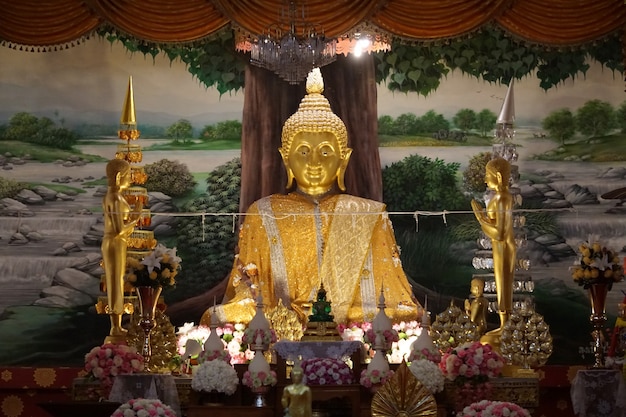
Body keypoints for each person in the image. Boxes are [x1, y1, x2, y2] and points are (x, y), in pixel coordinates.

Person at [201, 68, 419, 327]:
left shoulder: (368, 213)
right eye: (303, 151)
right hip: (281, 321)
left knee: (403, 317)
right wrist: (278, 314)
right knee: (214, 317)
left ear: (343, 160)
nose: (314, 162)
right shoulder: (263, 212)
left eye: (326, 152)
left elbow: (397, 300)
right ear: (286, 158)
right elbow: (248, 294)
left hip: (348, 321)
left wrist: (342, 314)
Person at [471, 157, 515, 339]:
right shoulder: (498, 197)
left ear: (497, 176)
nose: (484, 179)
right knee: (499, 283)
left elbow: (500, 233)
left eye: (487, 175)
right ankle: (504, 324)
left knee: (504, 284)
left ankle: (506, 325)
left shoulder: (504, 198)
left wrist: (480, 218)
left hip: (504, 246)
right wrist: (483, 216)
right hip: (499, 246)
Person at [101, 158, 143, 342]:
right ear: (119, 177)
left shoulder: (113, 196)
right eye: (128, 176)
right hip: (114, 241)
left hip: (116, 242)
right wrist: (136, 217)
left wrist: (133, 215)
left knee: (116, 280)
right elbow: (119, 230)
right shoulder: (115, 198)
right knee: (115, 281)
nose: (130, 180)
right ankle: (115, 327)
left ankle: (116, 326)